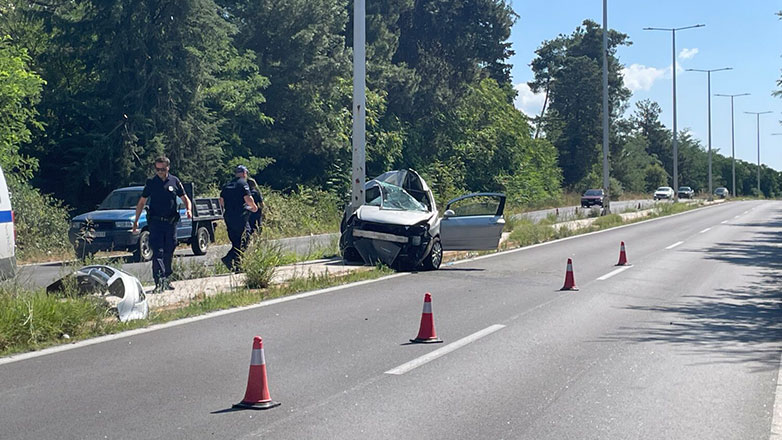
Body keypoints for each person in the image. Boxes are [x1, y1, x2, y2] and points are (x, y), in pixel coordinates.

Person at [132, 156, 192, 292]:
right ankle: (159, 282)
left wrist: (188, 209)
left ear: (168, 168)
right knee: (157, 251)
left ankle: (167, 279)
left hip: (171, 223)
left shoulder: (174, 181)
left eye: (162, 169)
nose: (160, 172)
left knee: (169, 250)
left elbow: (185, 198)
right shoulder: (151, 183)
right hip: (156, 223)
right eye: (157, 169)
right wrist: (136, 221)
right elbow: (141, 202)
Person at [219, 165, 258, 271]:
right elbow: (248, 198)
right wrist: (254, 208)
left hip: (228, 216)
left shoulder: (227, 184)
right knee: (246, 238)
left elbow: (221, 201)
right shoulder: (243, 183)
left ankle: (238, 266)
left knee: (236, 241)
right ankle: (228, 258)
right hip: (240, 216)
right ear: (244, 173)